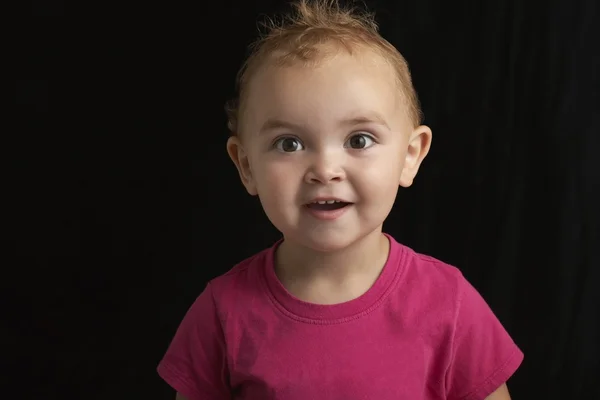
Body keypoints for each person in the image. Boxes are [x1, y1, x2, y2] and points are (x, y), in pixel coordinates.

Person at [157, 0, 524, 398]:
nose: (325, 169)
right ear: (246, 166)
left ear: (409, 156)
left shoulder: (450, 304)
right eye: (289, 143)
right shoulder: (221, 314)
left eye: (358, 140)